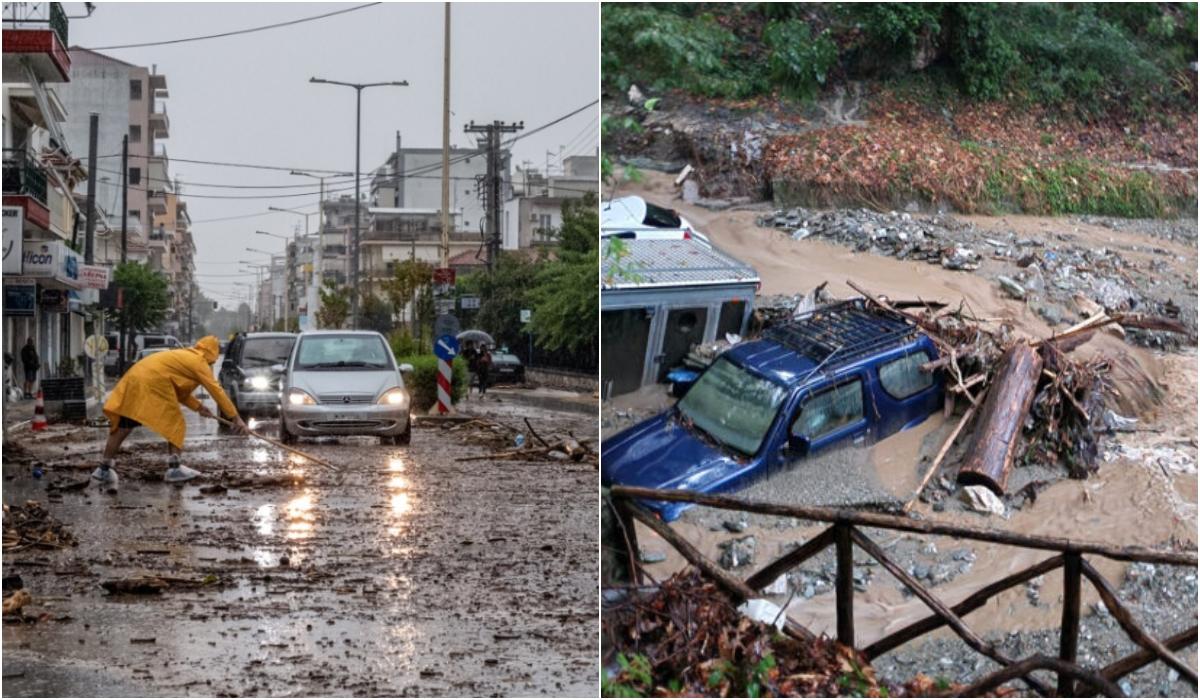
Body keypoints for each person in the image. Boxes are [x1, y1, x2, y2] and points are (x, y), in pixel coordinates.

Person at [93, 335, 248, 486]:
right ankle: (174, 468)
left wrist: (199, 407)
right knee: (175, 422)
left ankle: (104, 468)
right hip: (151, 383)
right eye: (212, 361)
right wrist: (235, 418)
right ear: (212, 355)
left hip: (137, 379)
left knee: (124, 426)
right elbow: (216, 390)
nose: (211, 364)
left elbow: (180, 392)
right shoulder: (199, 362)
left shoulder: (186, 357)